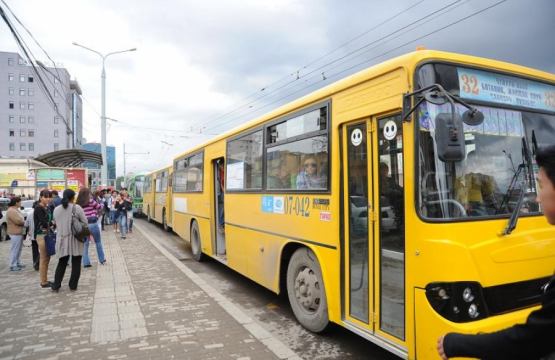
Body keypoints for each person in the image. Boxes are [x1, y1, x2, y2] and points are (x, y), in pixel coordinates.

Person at [437, 145, 555, 360]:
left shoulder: (486, 178)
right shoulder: (467, 176)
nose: (538, 197)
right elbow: (465, 199)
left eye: (541, 186)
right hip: (472, 212)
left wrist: (512, 210)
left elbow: (536, 337)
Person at [51, 189, 86, 293]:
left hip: (61, 238)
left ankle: (56, 286)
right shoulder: (77, 208)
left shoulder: (56, 209)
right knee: (76, 262)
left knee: (61, 263)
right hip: (75, 238)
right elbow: (85, 222)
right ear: (73, 197)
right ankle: (73, 285)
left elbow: (55, 222)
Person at [455, 151, 501, 216]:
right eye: (477, 161)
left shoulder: (477, 174)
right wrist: (465, 203)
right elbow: (461, 188)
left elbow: (488, 190)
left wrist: (489, 175)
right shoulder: (464, 173)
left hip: (477, 202)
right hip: (472, 204)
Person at [77, 188, 106, 268]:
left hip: (84, 225)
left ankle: (86, 262)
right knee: (98, 241)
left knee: (85, 244)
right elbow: (100, 207)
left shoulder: (78, 202)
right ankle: (102, 259)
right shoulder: (90, 201)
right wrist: (102, 201)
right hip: (92, 224)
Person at [34, 190, 54, 289]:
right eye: (46, 197)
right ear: (41, 197)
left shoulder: (47, 208)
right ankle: (43, 282)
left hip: (48, 235)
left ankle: (45, 280)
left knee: (47, 258)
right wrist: (51, 224)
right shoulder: (38, 208)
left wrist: (51, 223)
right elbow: (43, 221)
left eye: (49, 197)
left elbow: (50, 220)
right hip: (41, 235)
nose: (48, 199)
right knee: (43, 259)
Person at [7, 196, 26, 271]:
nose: (21, 203)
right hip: (15, 232)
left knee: (19, 249)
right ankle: (12, 264)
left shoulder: (16, 210)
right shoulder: (11, 210)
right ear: (16, 203)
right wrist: (24, 222)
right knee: (15, 249)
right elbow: (17, 221)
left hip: (19, 232)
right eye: (20, 202)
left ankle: (17, 263)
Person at [24, 200, 39, 270]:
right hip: (41, 234)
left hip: (33, 235)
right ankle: (39, 262)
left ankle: (35, 263)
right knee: (42, 250)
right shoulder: (42, 212)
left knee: (35, 249)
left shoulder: (30, 213)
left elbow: (26, 224)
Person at [217, 161, 225, 234]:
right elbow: (222, 184)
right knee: (225, 206)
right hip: (223, 192)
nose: (223, 168)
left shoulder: (225, 172)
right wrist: (225, 192)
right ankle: (220, 224)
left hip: (225, 191)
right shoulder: (221, 173)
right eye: (222, 166)